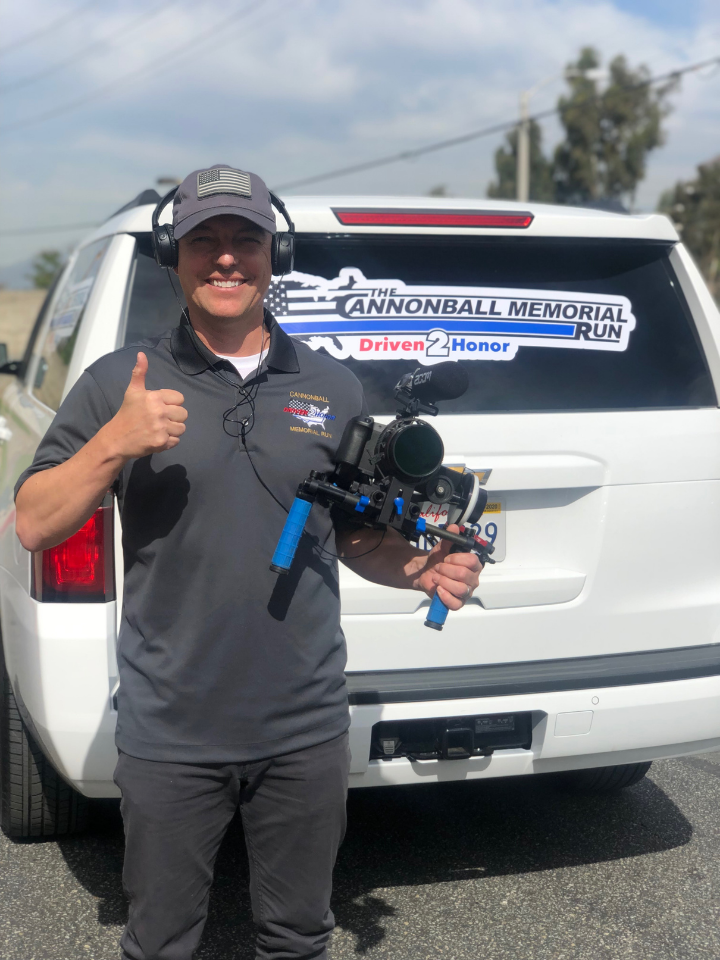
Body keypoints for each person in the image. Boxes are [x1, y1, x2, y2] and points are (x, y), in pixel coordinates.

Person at [14, 165, 482, 960]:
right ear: (174, 254)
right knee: (161, 940)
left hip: (303, 723)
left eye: (245, 240)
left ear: (276, 253)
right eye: (205, 241)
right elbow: (32, 523)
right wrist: (113, 443)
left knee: (297, 937)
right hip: (172, 729)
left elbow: (355, 533)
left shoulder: (331, 387)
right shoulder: (116, 385)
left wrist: (417, 566)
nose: (226, 258)